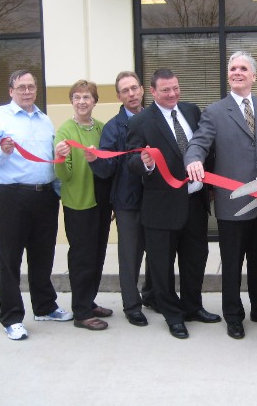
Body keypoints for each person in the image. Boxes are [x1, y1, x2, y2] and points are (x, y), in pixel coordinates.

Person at [185, 51, 257, 339]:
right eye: (232, 68)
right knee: (232, 264)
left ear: (253, 75)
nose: (237, 73)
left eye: (243, 68)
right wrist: (193, 159)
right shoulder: (214, 111)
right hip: (232, 203)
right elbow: (198, 143)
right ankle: (233, 315)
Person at [0, 70, 73, 340]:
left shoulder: (44, 121)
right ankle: (11, 317)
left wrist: (58, 192)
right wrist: (2, 149)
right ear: (11, 91)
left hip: (44, 196)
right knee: (9, 258)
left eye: (31, 87)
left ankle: (44, 306)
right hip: (12, 196)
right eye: (21, 87)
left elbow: (49, 160)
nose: (27, 91)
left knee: (43, 254)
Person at [127, 68, 220, 340]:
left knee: (195, 259)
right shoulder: (141, 122)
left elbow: (205, 148)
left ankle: (193, 307)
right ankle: (173, 315)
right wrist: (144, 163)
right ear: (152, 92)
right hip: (161, 208)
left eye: (175, 88)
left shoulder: (192, 111)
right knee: (162, 266)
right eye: (165, 90)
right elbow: (130, 162)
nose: (172, 94)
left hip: (195, 202)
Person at [88, 71, 154, 327]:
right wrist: (96, 160)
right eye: (125, 90)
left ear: (142, 90)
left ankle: (152, 295)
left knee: (157, 253)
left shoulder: (155, 118)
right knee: (130, 256)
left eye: (134, 88)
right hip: (128, 201)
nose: (131, 94)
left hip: (157, 198)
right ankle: (132, 304)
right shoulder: (113, 128)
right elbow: (107, 170)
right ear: (119, 96)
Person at [54, 80, 113, 331]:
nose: (82, 101)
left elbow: (108, 166)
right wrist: (60, 157)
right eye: (77, 97)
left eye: (87, 97)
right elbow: (63, 175)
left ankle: (88, 301)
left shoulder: (101, 128)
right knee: (82, 258)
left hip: (100, 203)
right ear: (71, 101)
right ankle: (81, 312)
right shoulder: (65, 131)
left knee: (98, 254)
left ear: (94, 101)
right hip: (78, 204)